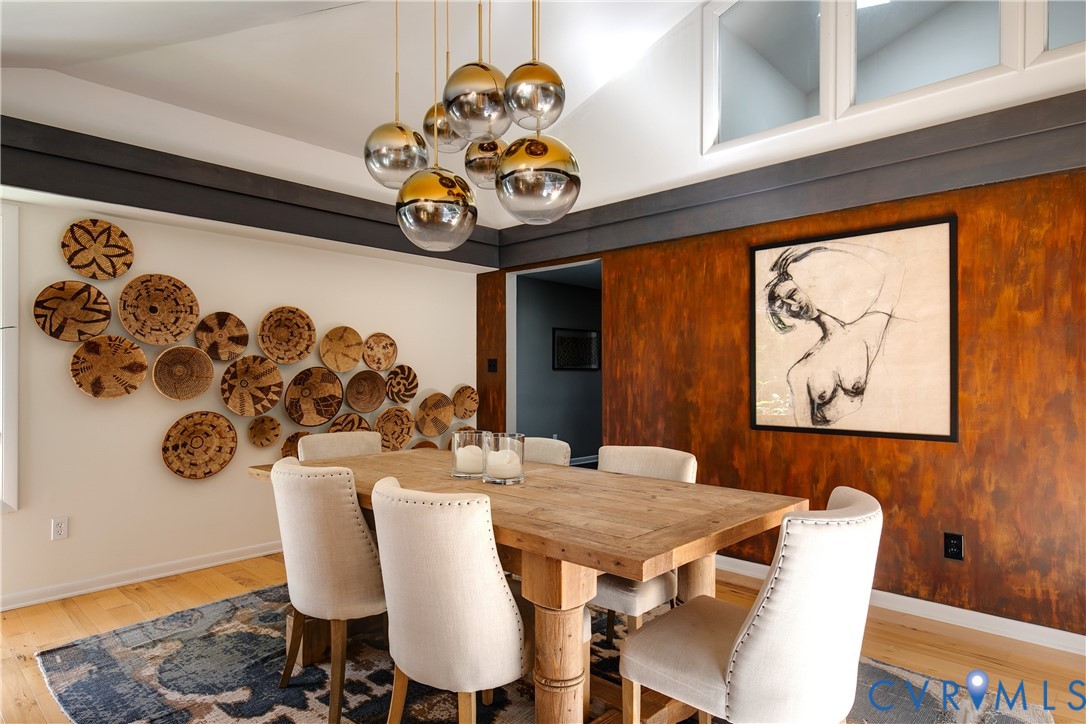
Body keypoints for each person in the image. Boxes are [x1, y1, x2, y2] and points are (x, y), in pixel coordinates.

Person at [765, 241, 904, 427]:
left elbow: (895, 267)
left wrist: (813, 247)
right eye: (783, 306)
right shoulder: (800, 372)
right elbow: (804, 434)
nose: (793, 306)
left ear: (807, 286)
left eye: (792, 294)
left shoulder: (865, 331)